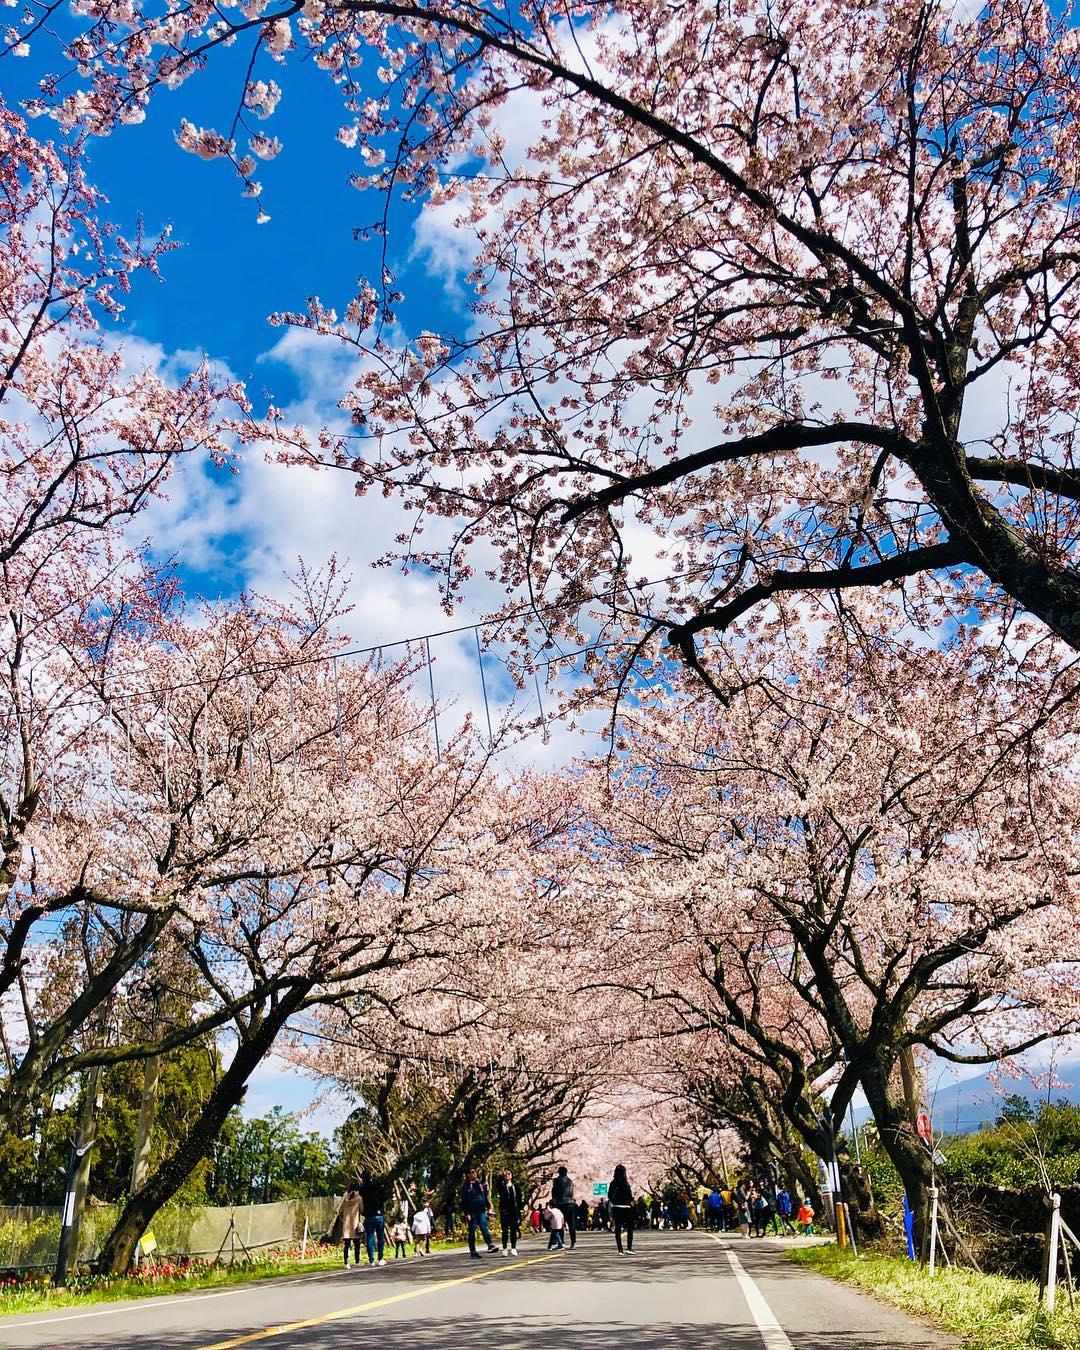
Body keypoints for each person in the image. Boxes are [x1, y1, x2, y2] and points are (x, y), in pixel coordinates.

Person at [461, 1167, 498, 1259]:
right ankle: (473, 1252)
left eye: (475, 1172)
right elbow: (464, 1202)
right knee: (472, 1232)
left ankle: (490, 1245)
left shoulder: (479, 1184)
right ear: (468, 1175)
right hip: (472, 1212)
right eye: (472, 1172)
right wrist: (467, 1213)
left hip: (481, 1211)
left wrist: (489, 1207)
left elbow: (484, 1196)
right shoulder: (466, 1187)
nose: (474, 1174)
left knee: (484, 1228)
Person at [359, 1170, 388, 1265]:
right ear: (370, 1177)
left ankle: (371, 1260)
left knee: (370, 1237)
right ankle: (380, 1258)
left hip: (368, 1215)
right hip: (378, 1214)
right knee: (380, 1237)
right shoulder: (377, 1187)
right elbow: (384, 1197)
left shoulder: (362, 1189)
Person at [608, 1163, 635, 1255]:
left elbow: (609, 1196)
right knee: (629, 1229)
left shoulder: (613, 1183)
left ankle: (620, 1250)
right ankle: (629, 1248)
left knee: (618, 1229)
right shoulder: (626, 1183)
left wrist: (615, 1202)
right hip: (627, 1208)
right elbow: (630, 1196)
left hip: (617, 1208)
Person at [335, 1185, 363, 1268]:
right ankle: (357, 1261)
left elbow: (339, 1211)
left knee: (347, 1245)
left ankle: (346, 1262)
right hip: (355, 1223)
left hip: (346, 1224)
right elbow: (362, 1209)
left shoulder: (345, 1198)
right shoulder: (358, 1198)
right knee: (357, 1244)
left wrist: (343, 1219)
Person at [496, 1168, 521, 1256]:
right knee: (505, 1231)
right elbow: (497, 1183)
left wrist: (519, 1211)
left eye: (509, 1173)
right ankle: (505, 1248)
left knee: (513, 1230)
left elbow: (519, 1199)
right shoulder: (502, 1186)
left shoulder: (516, 1187)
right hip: (504, 1211)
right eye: (506, 1174)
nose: (507, 1175)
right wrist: (501, 1175)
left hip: (514, 1211)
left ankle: (513, 1248)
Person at [552, 1166, 576, 1249]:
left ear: (559, 1172)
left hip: (560, 1204)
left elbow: (554, 1193)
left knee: (560, 1224)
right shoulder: (570, 1181)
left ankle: (561, 1242)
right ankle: (573, 1242)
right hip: (570, 1204)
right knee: (571, 1224)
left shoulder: (557, 1181)